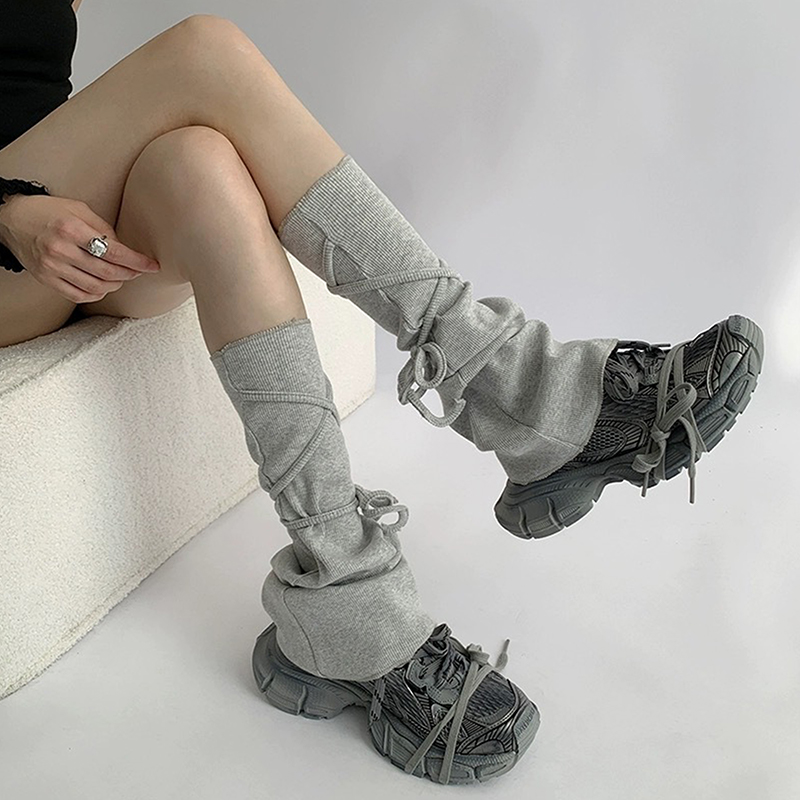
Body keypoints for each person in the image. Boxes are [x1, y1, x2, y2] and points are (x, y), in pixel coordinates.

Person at [0, 1, 764, 786]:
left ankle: (342, 590)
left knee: (198, 164)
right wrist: (13, 212)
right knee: (205, 50)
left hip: (68, 227)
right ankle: (526, 393)